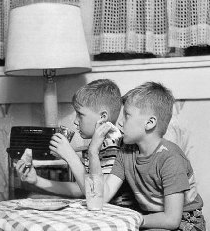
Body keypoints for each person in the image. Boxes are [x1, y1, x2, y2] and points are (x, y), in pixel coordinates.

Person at [89, 82, 205, 230]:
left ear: (150, 123)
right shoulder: (126, 152)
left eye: (127, 115)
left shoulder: (170, 158)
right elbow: (101, 197)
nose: (120, 122)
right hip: (150, 218)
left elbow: (171, 220)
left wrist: (131, 219)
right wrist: (93, 151)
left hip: (186, 222)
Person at [15, 79, 137, 208]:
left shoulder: (113, 144)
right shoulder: (98, 145)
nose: (75, 121)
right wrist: (37, 180)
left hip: (118, 215)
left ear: (102, 117)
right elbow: (82, 188)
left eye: (80, 114)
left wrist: (70, 156)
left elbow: (95, 194)